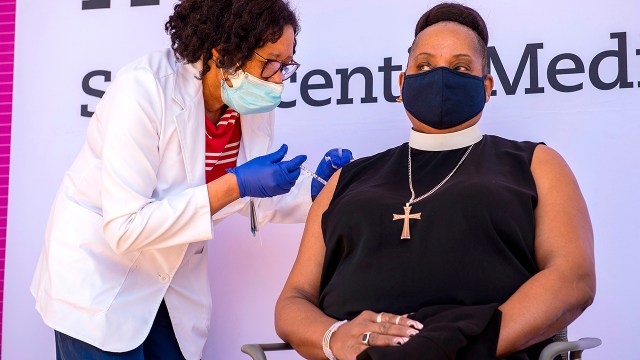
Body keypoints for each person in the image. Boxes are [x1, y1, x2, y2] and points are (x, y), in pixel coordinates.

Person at [30, 0, 352, 359]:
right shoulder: (145, 89)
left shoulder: (248, 106)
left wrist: (312, 193)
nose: (278, 79)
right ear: (223, 51)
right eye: (270, 63)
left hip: (170, 284)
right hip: (101, 278)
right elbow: (126, 227)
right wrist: (235, 184)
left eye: (286, 65)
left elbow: (250, 199)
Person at [274, 3, 595, 360]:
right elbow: (294, 299)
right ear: (402, 83)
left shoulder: (535, 164)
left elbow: (573, 279)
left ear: (485, 87)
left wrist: (458, 346)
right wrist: (334, 337)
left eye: (460, 67)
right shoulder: (346, 180)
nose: (440, 77)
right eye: (424, 65)